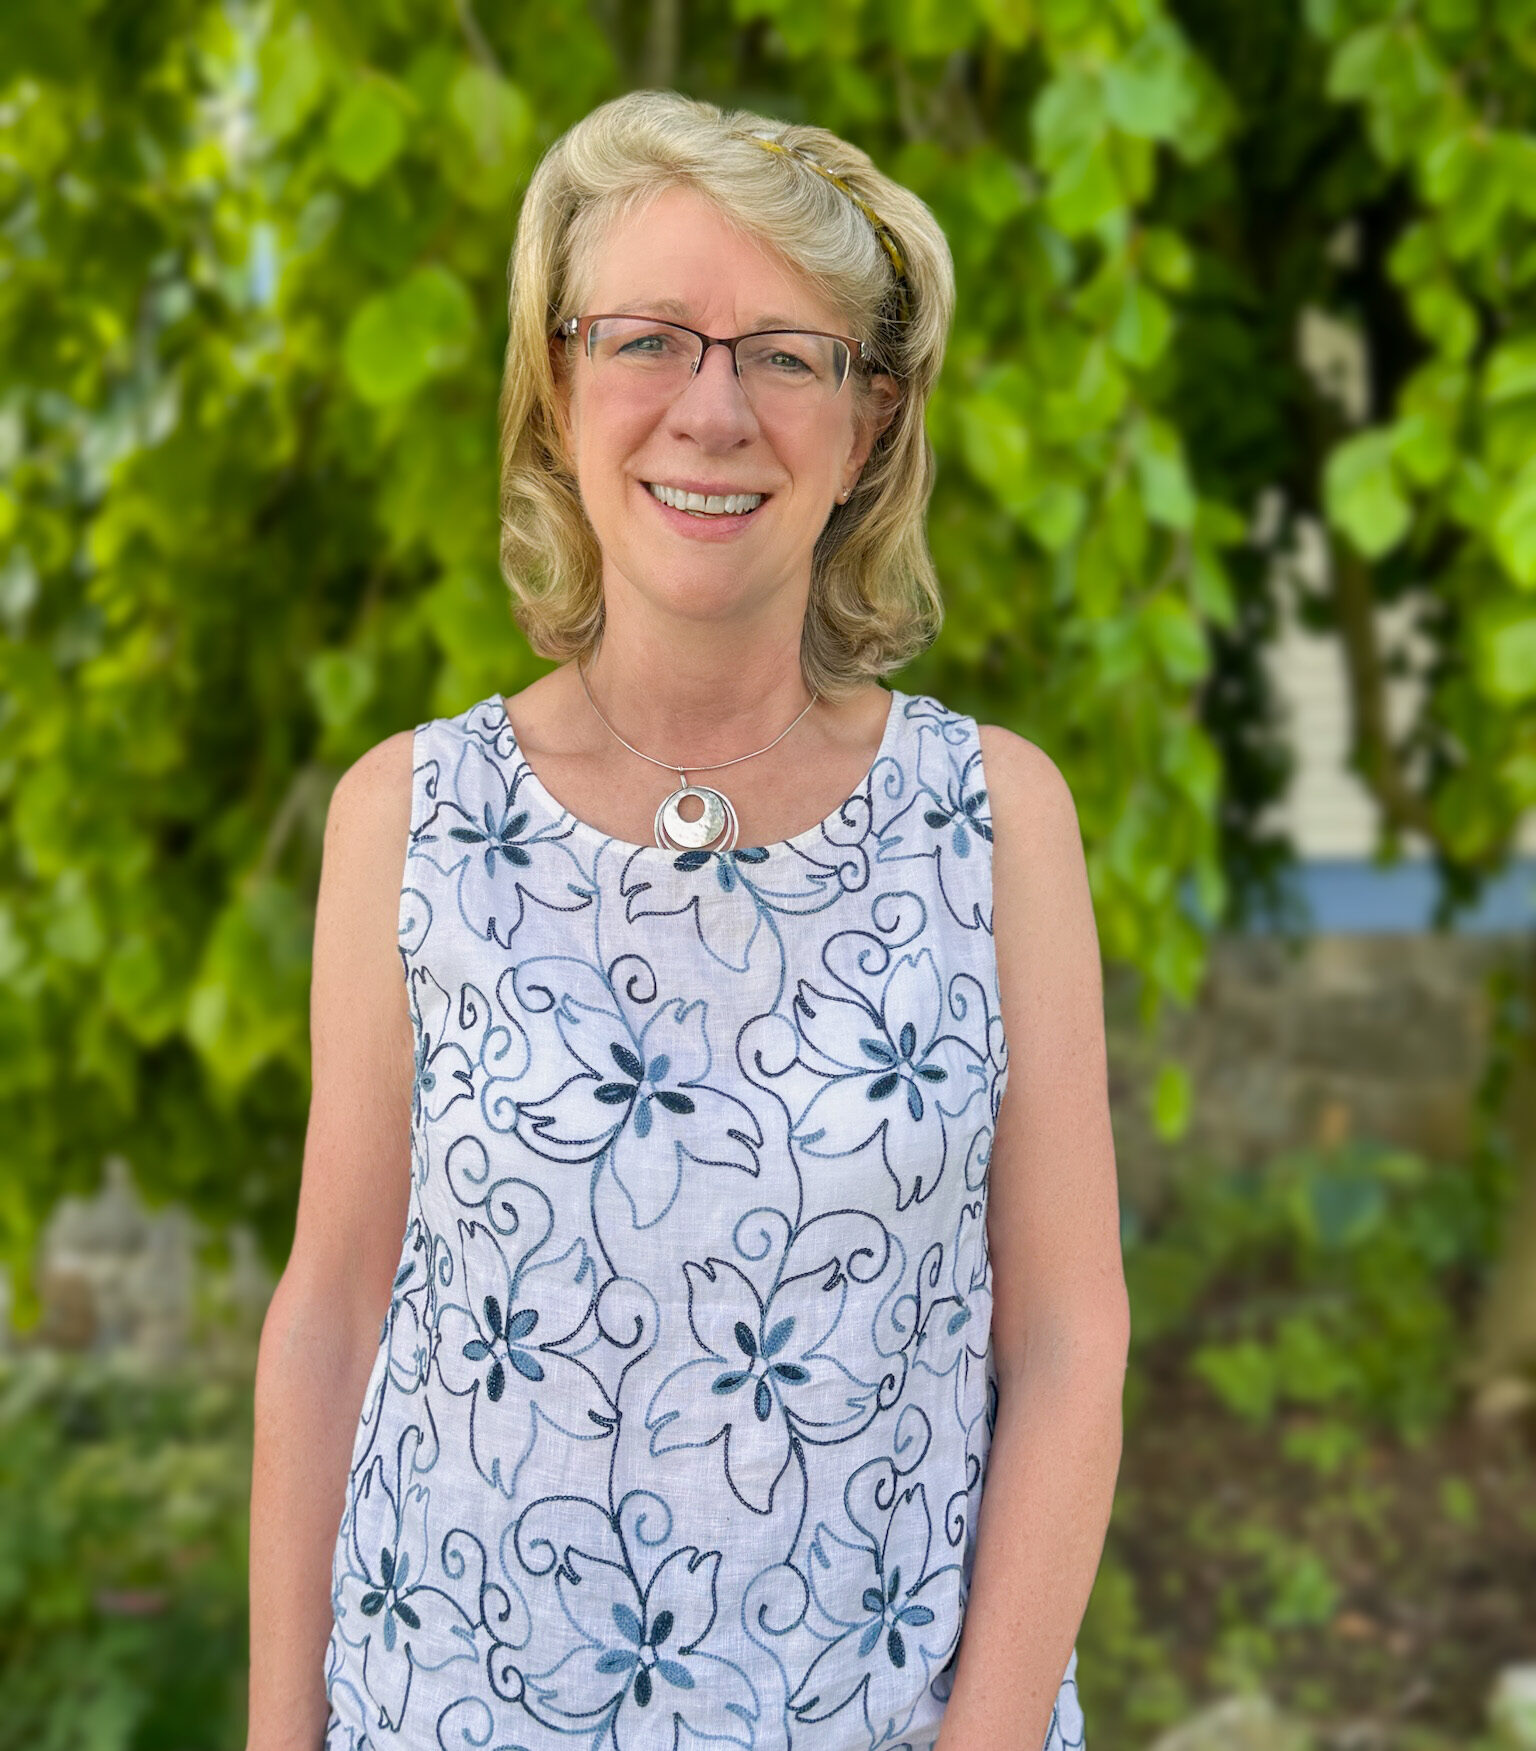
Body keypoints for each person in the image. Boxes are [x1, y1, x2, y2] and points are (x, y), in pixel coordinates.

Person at [247, 89, 1127, 1751]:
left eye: (786, 354)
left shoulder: (1000, 822)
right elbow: (333, 1306)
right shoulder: (405, 819)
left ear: (868, 423)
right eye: (650, 339)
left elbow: (1072, 1335)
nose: (712, 411)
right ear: (557, 390)